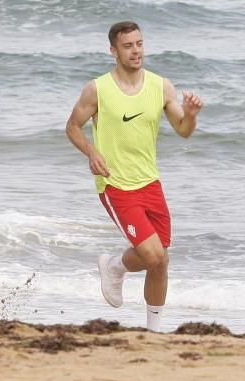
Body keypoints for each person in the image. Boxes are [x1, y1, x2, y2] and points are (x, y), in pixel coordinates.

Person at [65, 21, 203, 333]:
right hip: (115, 184)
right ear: (113, 51)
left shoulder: (160, 86)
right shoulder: (98, 89)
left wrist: (191, 116)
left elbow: (183, 131)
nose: (136, 50)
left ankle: (154, 332)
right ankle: (114, 266)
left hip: (150, 182)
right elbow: (72, 127)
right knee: (152, 254)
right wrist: (91, 152)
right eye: (128, 46)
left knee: (161, 260)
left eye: (139, 43)